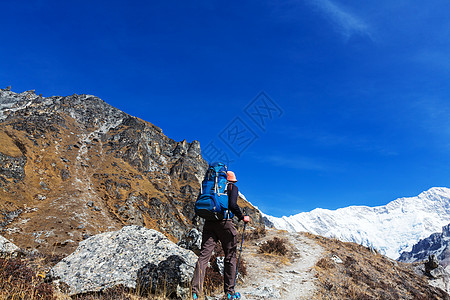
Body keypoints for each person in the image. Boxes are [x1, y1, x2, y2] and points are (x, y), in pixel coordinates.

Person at [192, 171, 250, 300]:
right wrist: (242, 217)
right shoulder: (231, 187)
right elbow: (233, 205)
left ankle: (195, 293)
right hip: (224, 223)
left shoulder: (208, 186)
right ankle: (229, 292)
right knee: (230, 256)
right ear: (232, 180)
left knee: (203, 258)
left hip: (209, 224)